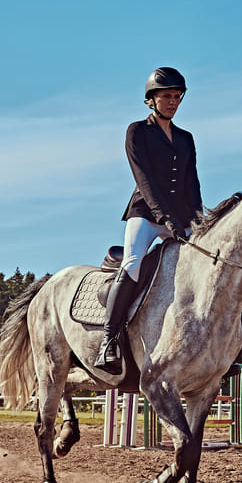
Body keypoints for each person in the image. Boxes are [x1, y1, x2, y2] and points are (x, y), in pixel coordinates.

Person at [95, 67, 203, 373]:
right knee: (133, 263)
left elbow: (191, 183)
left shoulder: (186, 138)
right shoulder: (137, 132)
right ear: (151, 100)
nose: (172, 101)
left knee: (207, 264)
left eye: (177, 96)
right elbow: (144, 180)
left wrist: (199, 221)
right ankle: (109, 339)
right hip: (145, 213)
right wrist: (164, 217)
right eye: (166, 96)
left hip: (180, 218)